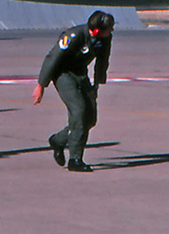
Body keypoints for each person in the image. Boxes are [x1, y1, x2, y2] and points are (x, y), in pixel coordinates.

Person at [33, 11, 114, 172]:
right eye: (108, 29)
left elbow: (102, 62)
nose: (111, 31)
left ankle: (59, 140)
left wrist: (97, 85)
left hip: (80, 74)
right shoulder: (74, 35)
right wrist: (41, 85)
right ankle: (75, 159)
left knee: (90, 118)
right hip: (63, 74)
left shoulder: (105, 39)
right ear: (97, 30)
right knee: (79, 112)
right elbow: (53, 58)